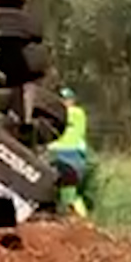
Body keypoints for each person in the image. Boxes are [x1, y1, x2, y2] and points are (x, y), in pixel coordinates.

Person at [47, 87, 92, 218]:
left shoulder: (76, 113)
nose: (64, 102)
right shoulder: (72, 114)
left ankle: (81, 220)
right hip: (66, 155)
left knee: (68, 190)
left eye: (66, 99)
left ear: (73, 100)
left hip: (71, 155)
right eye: (61, 99)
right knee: (67, 191)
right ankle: (79, 217)